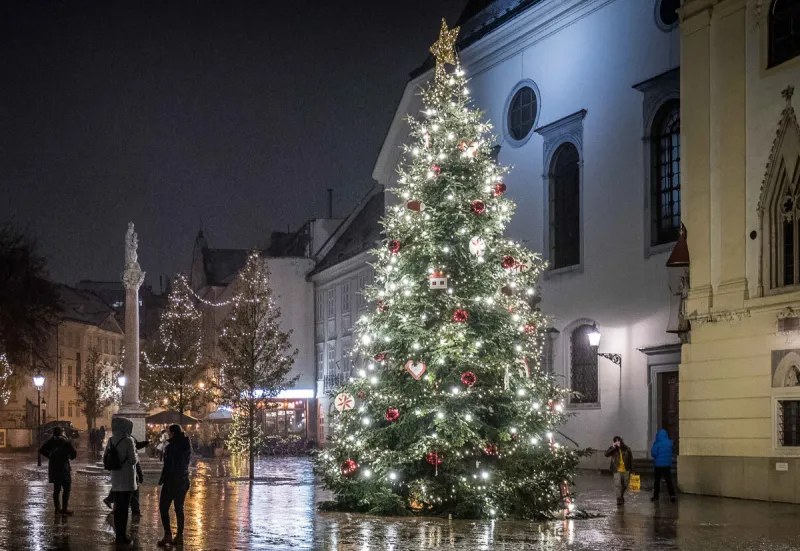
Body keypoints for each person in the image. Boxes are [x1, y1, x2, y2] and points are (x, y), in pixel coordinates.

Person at [106, 417, 139, 545]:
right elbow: (133, 460)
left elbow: (106, 457)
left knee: (118, 508)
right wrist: (135, 453)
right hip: (127, 479)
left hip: (116, 478)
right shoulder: (128, 440)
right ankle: (122, 536)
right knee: (124, 509)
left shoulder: (111, 440)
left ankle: (118, 534)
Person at [158, 424, 191, 547]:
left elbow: (169, 466)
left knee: (163, 507)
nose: (167, 434)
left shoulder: (172, 447)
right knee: (179, 508)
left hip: (172, 481)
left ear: (173, 433)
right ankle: (179, 535)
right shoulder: (185, 445)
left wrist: (163, 479)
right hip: (182, 480)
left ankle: (168, 535)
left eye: (169, 432)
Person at [103, 437, 148, 520]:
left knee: (119, 491)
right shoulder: (130, 444)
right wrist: (141, 476)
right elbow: (136, 464)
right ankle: (134, 511)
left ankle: (115, 506)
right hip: (131, 476)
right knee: (133, 493)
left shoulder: (115, 440)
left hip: (119, 473)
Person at [39, 426, 78, 516]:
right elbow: (73, 454)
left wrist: (50, 456)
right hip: (64, 467)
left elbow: (41, 450)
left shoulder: (50, 441)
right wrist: (69, 456)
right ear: (61, 432)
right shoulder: (66, 441)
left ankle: (57, 509)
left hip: (54, 467)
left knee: (56, 489)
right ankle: (64, 509)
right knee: (67, 488)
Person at [604, 435, 633, 505]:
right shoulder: (613, 449)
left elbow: (631, 459)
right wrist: (613, 448)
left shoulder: (627, 449)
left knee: (625, 484)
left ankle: (621, 495)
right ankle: (619, 498)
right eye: (615, 441)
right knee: (617, 484)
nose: (617, 442)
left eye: (618, 441)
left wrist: (633, 469)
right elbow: (606, 454)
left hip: (626, 469)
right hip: (616, 469)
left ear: (621, 441)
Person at [650, 429, 677, 503]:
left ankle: (656, 497)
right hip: (667, 465)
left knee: (657, 481)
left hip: (658, 465)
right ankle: (672, 495)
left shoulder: (657, 443)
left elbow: (653, 454)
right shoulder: (669, 443)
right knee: (669, 481)